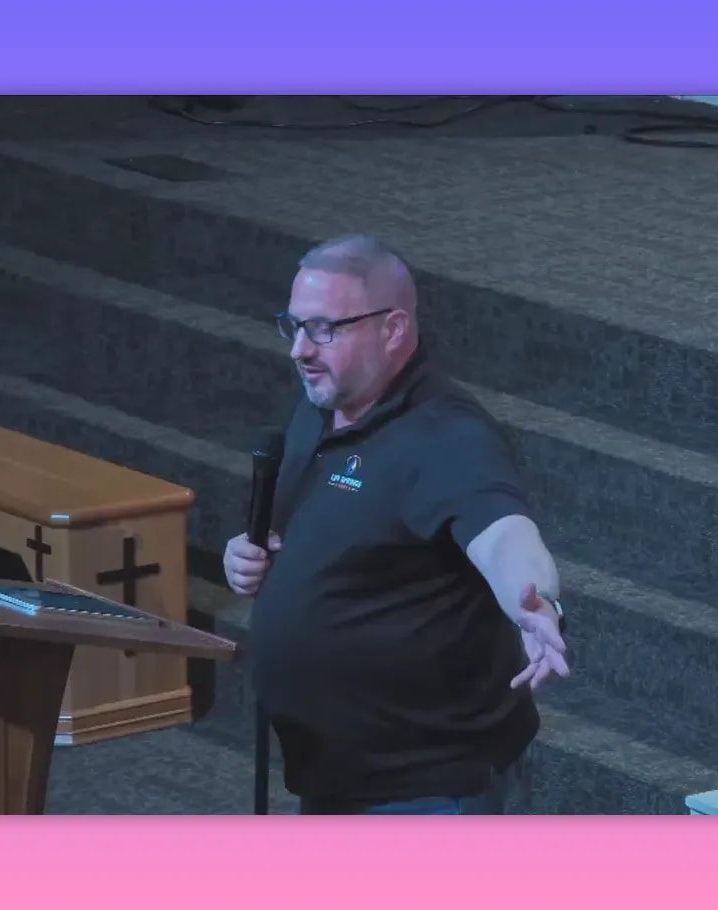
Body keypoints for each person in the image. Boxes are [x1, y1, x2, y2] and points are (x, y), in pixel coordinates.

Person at [222, 233, 571, 815]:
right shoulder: (321, 409)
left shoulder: (444, 437)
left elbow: (505, 532)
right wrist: (252, 556)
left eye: (325, 329)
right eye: (294, 326)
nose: (299, 351)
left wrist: (536, 603)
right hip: (337, 774)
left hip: (425, 789)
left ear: (394, 329)